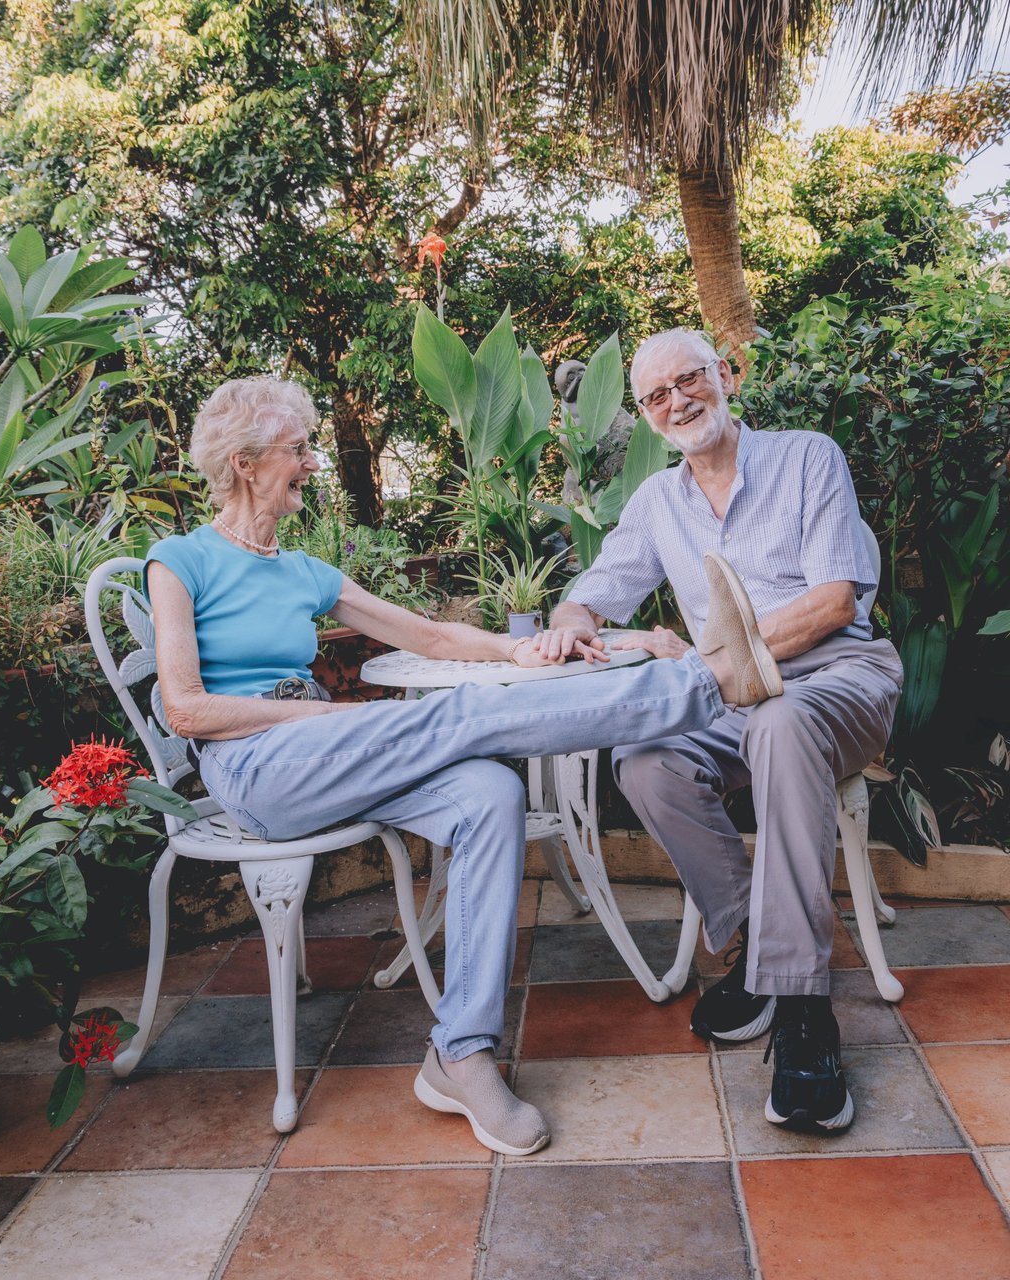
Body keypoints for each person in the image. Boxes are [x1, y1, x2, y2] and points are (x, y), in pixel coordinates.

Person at [146, 375, 782, 1158]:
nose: (311, 463)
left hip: (331, 752)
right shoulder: (179, 561)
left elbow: (434, 638)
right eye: (300, 449)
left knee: (489, 789)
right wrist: (325, 715)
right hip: (254, 769)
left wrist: (521, 648)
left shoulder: (301, 568)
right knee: (454, 721)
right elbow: (186, 710)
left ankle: (460, 1052)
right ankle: (706, 682)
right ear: (245, 462)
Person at [539, 328, 903, 1136]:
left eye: (689, 379)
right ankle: (755, 948)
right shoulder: (657, 503)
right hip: (728, 692)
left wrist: (702, 660)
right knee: (646, 761)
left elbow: (833, 602)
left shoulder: (808, 457)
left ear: (725, 376)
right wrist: (571, 622)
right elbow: (597, 589)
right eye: (657, 395)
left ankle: (806, 1013)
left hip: (836, 677)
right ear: (645, 415)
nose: (678, 401)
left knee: (778, 723)